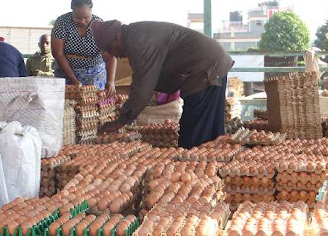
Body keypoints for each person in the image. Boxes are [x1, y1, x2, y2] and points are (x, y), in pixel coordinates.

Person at [92, 20, 234, 148]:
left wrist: (120, 121)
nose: (113, 55)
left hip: (205, 69)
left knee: (194, 136)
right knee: (208, 131)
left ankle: (199, 172)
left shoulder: (138, 42)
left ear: (116, 38)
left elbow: (143, 86)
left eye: (109, 49)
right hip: (210, 65)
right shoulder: (135, 34)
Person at [51, 0, 116, 95]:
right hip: (67, 73)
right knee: (68, 107)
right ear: (72, 10)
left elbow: (110, 56)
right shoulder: (62, 23)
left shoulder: (99, 24)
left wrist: (110, 81)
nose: (82, 21)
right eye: (77, 18)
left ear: (91, 10)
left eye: (86, 17)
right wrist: (73, 80)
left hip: (95, 75)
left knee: (93, 108)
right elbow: (58, 54)